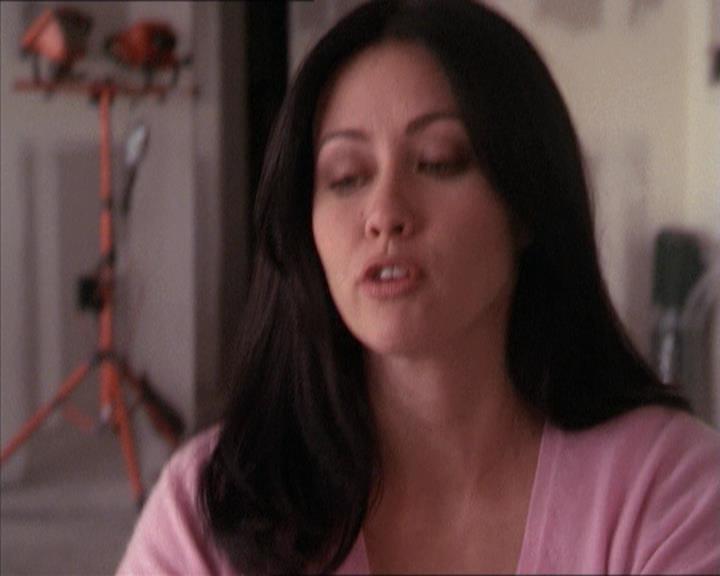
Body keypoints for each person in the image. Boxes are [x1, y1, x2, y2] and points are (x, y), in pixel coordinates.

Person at [117, 1, 720, 574]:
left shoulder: (668, 489)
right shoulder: (210, 509)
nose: (385, 213)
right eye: (346, 177)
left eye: (437, 161)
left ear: (526, 204)